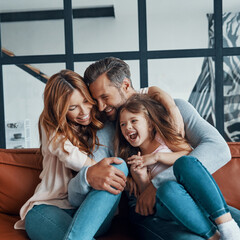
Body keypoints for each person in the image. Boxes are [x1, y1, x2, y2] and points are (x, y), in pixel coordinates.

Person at [68, 56, 240, 240]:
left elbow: (219, 149)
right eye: (96, 100)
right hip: (152, 214)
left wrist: (156, 185)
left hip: (193, 200)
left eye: (105, 97)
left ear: (125, 86)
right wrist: (91, 177)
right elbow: (89, 186)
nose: (101, 107)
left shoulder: (174, 110)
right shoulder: (105, 134)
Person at [14, 69, 128, 240]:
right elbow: (69, 155)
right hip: (48, 208)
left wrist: (157, 93)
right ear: (59, 110)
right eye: (73, 108)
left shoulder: (102, 120)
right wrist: (93, 171)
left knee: (118, 165)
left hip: (92, 213)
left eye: (86, 101)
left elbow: (134, 99)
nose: (83, 112)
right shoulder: (50, 125)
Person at [115, 93, 240, 240]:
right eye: (123, 124)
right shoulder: (133, 158)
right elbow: (148, 202)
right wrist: (142, 179)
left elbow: (189, 155)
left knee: (184, 164)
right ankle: (216, 237)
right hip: (166, 205)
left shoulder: (163, 140)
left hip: (189, 198)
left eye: (133, 120)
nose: (127, 127)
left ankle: (227, 228)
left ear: (149, 124)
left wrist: (156, 157)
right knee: (168, 189)